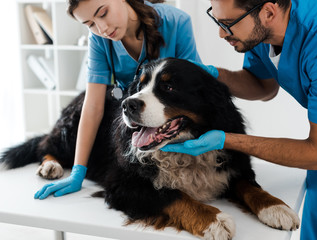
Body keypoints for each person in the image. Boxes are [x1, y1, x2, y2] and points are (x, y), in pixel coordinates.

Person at [161, 0, 317, 239]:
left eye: (228, 24)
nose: (221, 33)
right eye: (217, 20)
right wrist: (212, 74)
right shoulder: (261, 29)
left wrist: (226, 140)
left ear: (268, 12)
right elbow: (262, 86)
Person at [34, 0, 201, 200]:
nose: (102, 28)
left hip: (170, 123)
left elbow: (194, 90)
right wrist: (78, 171)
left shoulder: (176, 22)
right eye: (90, 24)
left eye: (103, 13)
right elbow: (93, 105)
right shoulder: (98, 39)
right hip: (134, 122)